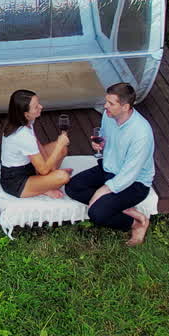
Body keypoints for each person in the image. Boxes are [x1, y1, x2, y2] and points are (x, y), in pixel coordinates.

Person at [65, 82, 155, 246]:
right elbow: (107, 139)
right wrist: (100, 145)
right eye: (106, 101)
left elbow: (130, 174)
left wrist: (103, 191)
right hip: (109, 167)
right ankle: (117, 206)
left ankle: (137, 223)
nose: (105, 106)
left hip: (134, 183)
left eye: (111, 103)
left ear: (125, 107)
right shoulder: (109, 115)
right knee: (72, 187)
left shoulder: (141, 133)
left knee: (97, 213)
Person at [0, 89, 71, 199]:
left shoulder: (26, 121)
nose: (41, 107)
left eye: (38, 104)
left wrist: (53, 171)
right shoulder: (22, 135)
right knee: (63, 177)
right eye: (36, 107)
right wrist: (59, 146)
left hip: (29, 166)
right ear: (26, 114)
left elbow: (37, 145)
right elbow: (43, 169)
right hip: (15, 181)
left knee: (63, 150)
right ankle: (43, 188)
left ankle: (42, 185)